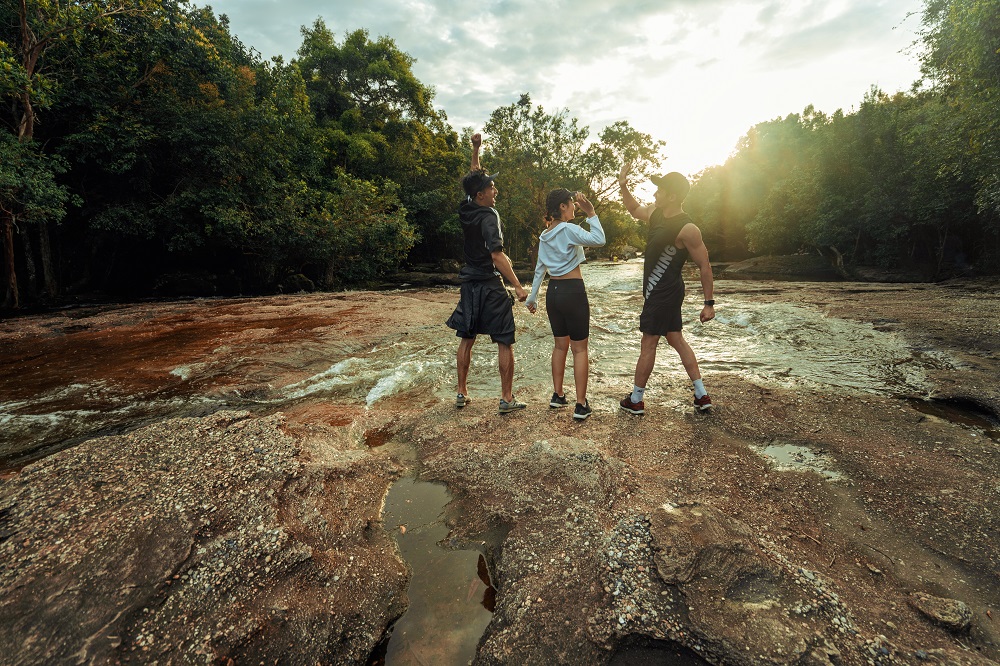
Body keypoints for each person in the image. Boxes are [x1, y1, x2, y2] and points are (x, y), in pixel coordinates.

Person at [616, 163, 716, 414]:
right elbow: (632, 208)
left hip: (664, 293)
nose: (654, 194)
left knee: (648, 342)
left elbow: (704, 265)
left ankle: (636, 399)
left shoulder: (688, 228)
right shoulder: (655, 213)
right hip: (662, 293)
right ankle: (701, 395)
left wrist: (709, 303)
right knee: (676, 339)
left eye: (659, 190)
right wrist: (623, 184)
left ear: (672, 195)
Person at [445, 132, 529, 414]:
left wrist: (475, 149)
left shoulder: (467, 207)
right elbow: (497, 254)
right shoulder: (489, 216)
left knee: (466, 337)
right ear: (481, 195)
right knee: (504, 338)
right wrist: (517, 286)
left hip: (469, 283)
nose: (496, 191)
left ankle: (461, 393)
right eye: (491, 188)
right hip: (489, 284)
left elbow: (473, 176)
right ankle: (506, 399)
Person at [526, 189, 606, 421]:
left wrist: (533, 298)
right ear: (562, 206)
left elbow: (540, 269)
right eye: (571, 203)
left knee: (560, 346)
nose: (574, 207)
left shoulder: (544, 235)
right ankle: (581, 405)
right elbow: (600, 240)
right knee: (579, 349)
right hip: (573, 291)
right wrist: (591, 213)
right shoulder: (570, 230)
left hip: (554, 293)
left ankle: (558, 395)